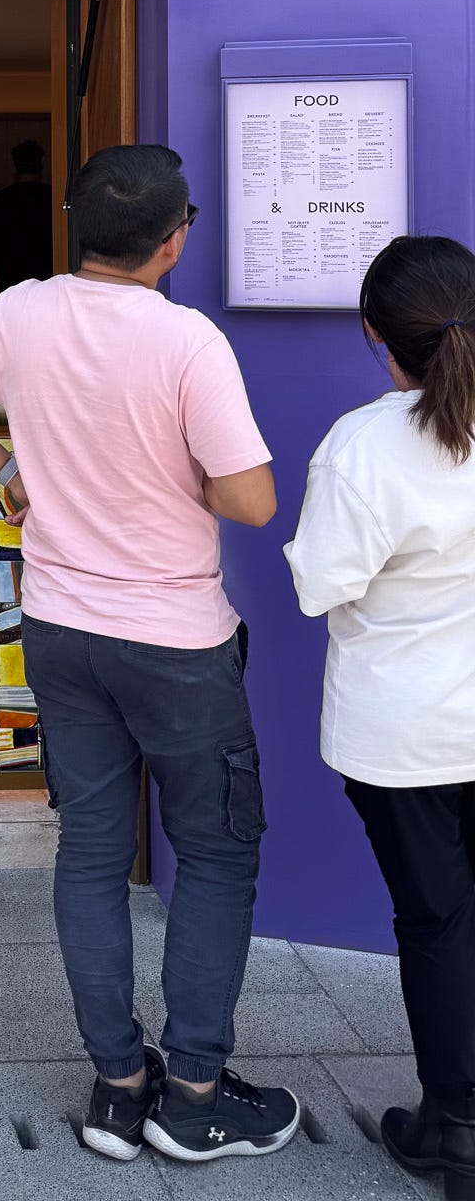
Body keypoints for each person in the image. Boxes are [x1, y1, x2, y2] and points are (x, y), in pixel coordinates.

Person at [0, 143, 300, 1165]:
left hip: (62, 627)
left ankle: (119, 1089)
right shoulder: (186, 340)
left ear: (77, 228)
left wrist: (10, 469)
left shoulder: (24, 311)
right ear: (175, 239)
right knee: (214, 850)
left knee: (89, 849)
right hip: (175, 642)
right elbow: (253, 499)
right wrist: (171, 472)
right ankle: (195, 1094)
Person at [287, 235, 475, 1193]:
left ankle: (457, 1126)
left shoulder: (363, 444)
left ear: (375, 334)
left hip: (405, 737)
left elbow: (320, 586)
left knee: (438, 923)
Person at [0, 137, 53, 288]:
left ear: (15, 166)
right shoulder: (54, 200)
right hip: (48, 283)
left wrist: (6, 266)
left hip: (11, 282)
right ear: (41, 166)